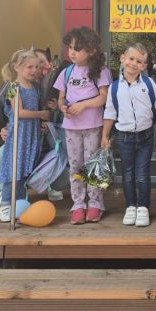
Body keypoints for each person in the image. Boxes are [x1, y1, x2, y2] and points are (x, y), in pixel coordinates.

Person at [102, 43, 156, 227]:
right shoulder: (114, 87)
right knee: (128, 174)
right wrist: (104, 135)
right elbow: (110, 112)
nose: (134, 63)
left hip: (146, 136)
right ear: (122, 58)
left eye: (139, 61)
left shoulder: (148, 83)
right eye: (131, 59)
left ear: (143, 66)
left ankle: (143, 207)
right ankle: (131, 206)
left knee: (142, 174)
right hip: (124, 137)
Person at [53, 27, 112, 225]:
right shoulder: (66, 72)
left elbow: (103, 98)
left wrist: (83, 105)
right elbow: (61, 98)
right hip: (71, 127)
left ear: (92, 50)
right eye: (70, 47)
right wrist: (63, 107)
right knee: (75, 165)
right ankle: (78, 204)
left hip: (93, 126)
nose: (72, 52)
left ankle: (95, 203)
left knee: (93, 165)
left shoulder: (101, 71)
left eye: (77, 49)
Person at [0, 49, 50, 222]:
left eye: (36, 67)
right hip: (18, 135)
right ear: (17, 67)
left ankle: (18, 203)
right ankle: (6, 203)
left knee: (24, 170)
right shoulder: (13, 87)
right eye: (30, 67)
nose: (34, 70)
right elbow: (18, 112)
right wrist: (41, 114)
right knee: (13, 169)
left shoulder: (35, 87)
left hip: (30, 135)